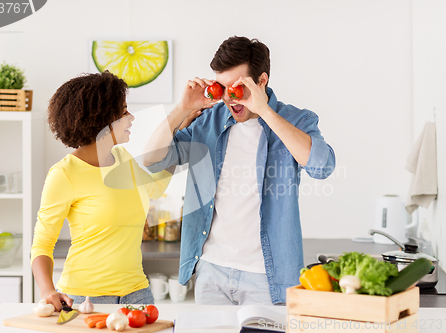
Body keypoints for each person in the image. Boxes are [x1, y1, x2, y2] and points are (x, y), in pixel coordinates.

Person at [143, 36, 336, 305]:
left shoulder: (297, 120)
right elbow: (152, 159)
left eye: (238, 88)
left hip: (267, 276)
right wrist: (182, 109)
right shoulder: (208, 122)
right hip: (211, 269)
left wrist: (264, 111)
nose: (229, 98)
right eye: (222, 88)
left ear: (261, 82)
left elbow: (322, 166)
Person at [31, 71, 173, 311]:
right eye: (124, 111)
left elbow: (156, 188)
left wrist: (176, 142)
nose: (131, 117)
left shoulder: (122, 158)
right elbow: (42, 244)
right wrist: (47, 291)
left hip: (137, 293)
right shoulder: (64, 174)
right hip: (84, 298)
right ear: (102, 119)